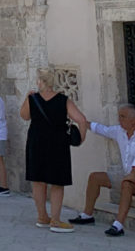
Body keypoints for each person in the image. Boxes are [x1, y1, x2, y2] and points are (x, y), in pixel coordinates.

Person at [69, 104, 135, 236]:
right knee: (95, 177)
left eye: (122, 117)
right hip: (128, 175)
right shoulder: (120, 131)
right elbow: (103, 130)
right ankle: (87, 215)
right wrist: (83, 123)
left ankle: (118, 225)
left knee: (127, 184)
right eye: (119, 116)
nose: (119, 119)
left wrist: (132, 175)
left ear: (133, 120)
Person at [20, 67, 89, 232]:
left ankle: (42, 216)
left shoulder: (33, 99)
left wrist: (26, 98)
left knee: (39, 181)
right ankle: (56, 220)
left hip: (36, 142)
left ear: (41, 82)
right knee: (57, 182)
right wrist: (81, 138)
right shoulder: (63, 100)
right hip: (57, 143)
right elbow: (82, 120)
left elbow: (24, 116)